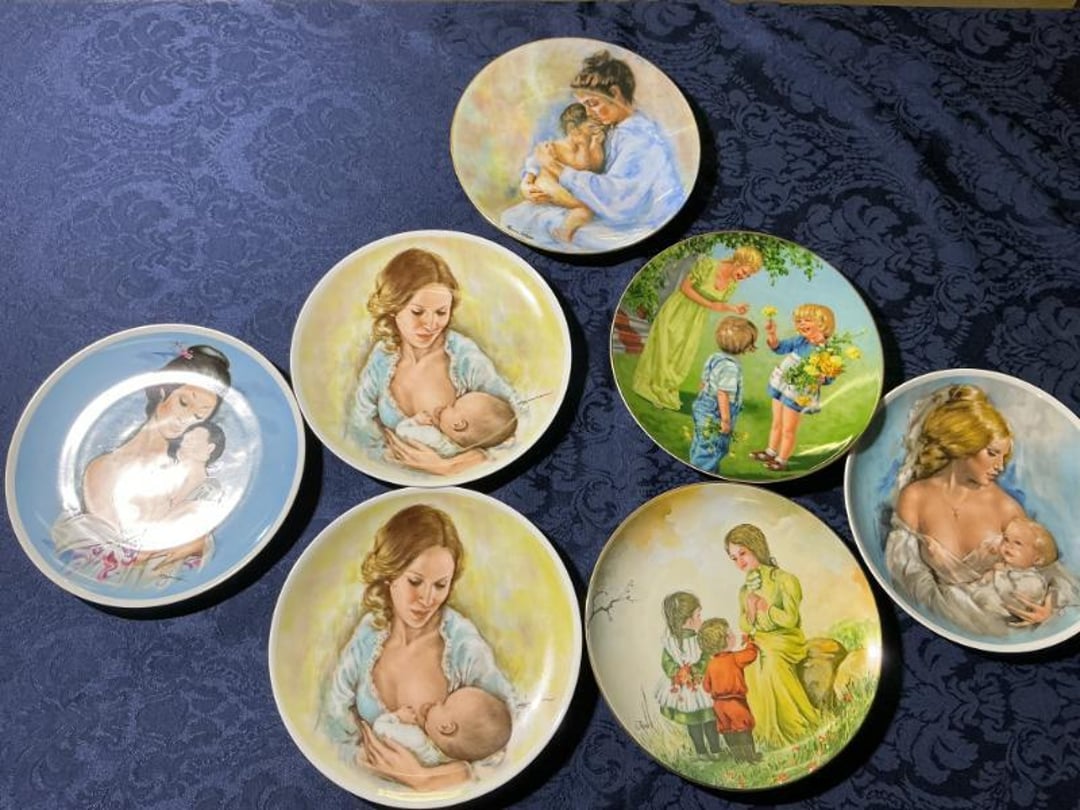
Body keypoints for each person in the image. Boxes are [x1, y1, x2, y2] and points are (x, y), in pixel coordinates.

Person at [322, 504, 515, 792]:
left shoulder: (461, 643)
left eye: (440, 585)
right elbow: (333, 719)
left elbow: (509, 738)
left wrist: (429, 778)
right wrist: (362, 763)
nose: (427, 599)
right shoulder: (369, 633)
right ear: (390, 574)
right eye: (415, 581)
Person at [51, 345, 232, 585]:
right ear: (162, 390)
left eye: (199, 416)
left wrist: (197, 542)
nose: (185, 419)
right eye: (184, 403)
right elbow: (106, 560)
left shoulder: (191, 473)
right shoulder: (104, 468)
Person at [885, 384, 1055, 634]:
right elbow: (900, 573)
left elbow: (1044, 564)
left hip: (997, 628)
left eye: (1004, 457)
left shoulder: (1006, 507)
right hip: (930, 622)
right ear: (963, 445)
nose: (1000, 466)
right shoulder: (915, 497)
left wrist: (1048, 608)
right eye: (992, 453)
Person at [349, 248, 519, 476]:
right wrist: (391, 463)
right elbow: (359, 429)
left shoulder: (463, 356)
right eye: (418, 312)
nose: (430, 324)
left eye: (441, 312)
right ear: (394, 307)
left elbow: (517, 423)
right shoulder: (382, 357)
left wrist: (452, 466)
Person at [500, 50, 688, 251]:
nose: (589, 113)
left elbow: (618, 199)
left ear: (615, 93)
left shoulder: (641, 139)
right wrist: (527, 181)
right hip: (605, 209)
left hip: (639, 225)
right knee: (521, 216)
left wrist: (555, 168)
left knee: (540, 224)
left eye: (592, 104)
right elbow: (554, 151)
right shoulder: (612, 128)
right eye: (584, 106)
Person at [632, 246, 764, 411]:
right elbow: (685, 288)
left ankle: (665, 389)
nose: (744, 277)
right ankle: (653, 388)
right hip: (678, 310)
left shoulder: (732, 284)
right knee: (666, 349)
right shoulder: (708, 265)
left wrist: (734, 308)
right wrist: (710, 304)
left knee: (682, 355)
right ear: (738, 262)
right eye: (744, 272)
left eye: (748, 276)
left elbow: (718, 305)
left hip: (696, 320)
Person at [725, 523, 820, 749]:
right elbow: (744, 624)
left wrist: (766, 608)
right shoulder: (744, 590)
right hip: (761, 639)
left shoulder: (784, 579)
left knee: (771, 663)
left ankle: (796, 726)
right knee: (748, 664)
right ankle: (765, 733)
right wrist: (750, 611)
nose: (739, 562)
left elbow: (790, 619)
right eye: (733, 558)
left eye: (742, 553)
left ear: (756, 547)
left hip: (786, 638)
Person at [750, 303, 837, 472]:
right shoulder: (800, 341)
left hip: (799, 391)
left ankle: (781, 460)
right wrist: (772, 334)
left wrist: (822, 377)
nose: (801, 324)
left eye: (806, 320)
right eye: (798, 321)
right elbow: (779, 348)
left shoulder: (826, 350)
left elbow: (830, 376)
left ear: (822, 324)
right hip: (783, 382)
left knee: (788, 429)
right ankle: (770, 451)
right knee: (776, 421)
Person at [963, 517, 1080, 628]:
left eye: (1018, 543)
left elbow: (1012, 600)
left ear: (1037, 559)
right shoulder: (1002, 567)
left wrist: (999, 574)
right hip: (975, 606)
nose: (1008, 546)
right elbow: (976, 586)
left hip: (996, 617)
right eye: (1006, 539)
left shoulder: (1033, 580)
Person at [372, 685, 513, 767]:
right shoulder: (448, 762)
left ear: (446, 727)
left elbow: (378, 727)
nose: (438, 702)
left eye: (445, 704)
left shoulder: (416, 739)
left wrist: (397, 716)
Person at [527, 103, 606, 243]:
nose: (596, 131)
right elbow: (533, 165)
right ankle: (562, 234)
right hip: (548, 185)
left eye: (598, 127)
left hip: (565, 188)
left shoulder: (588, 146)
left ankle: (563, 233)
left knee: (588, 209)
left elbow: (594, 167)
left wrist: (596, 143)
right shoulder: (554, 146)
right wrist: (527, 182)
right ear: (572, 129)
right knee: (585, 209)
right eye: (591, 127)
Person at [653, 591, 719, 759]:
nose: (701, 619)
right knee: (693, 722)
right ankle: (701, 752)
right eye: (698, 615)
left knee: (710, 718)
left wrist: (697, 669)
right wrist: (677, 672)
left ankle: (716, 749)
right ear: (688, 621)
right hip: (684, 688)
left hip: (701, 685)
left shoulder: (701, 638)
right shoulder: (670, 641)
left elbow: (706, 656)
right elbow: (666, 662)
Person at [688, 316, 758, 473]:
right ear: (744, 346)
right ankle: (704, 472)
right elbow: (723, 394)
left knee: (702, 442)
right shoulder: (730, 367)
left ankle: (698, 466)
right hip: (717, 413)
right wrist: (725, 420)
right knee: (714, 447)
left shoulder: (715, 357)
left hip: (703, 406)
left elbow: (703, 382)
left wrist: (702, 401)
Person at [698, 617, 759, 763]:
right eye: (730, 634)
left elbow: (706, 686)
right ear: (725, 640)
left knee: (728, 730)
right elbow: (751, 655)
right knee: (743, 728)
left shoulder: (711, 664)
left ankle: (739, 758)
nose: (733, 635)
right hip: (735, 702)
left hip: (719, 706)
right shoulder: (734, 658)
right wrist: (751, 642)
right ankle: (751, 757)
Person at [394, 391, 517, 460]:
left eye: (453, 406)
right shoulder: (455, 450)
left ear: (458, 425)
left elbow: (400, 430)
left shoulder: (432, 436)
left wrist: (415, 421)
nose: (447, 405)